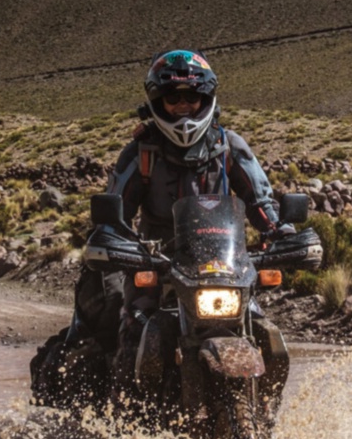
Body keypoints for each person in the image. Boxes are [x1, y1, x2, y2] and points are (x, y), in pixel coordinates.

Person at [32, 50, 286, 403]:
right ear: (157, 101)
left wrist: (279, 230)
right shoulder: (141, 153)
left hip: (223, 262)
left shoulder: (230, 147)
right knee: (134, 331)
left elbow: (260, 201)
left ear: (206, 98)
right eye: (173, 98)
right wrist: (113, 239)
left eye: (191, 97)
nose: (183, 106)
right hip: (156, 262)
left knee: (260, 327)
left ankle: (266, 409)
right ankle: (125, 427)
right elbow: (115, 211)